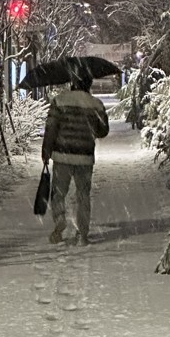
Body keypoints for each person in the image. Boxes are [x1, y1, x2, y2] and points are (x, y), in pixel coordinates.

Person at [41, 71, 109, 245]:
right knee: (83, 196)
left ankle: (59, 222)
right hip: (84, 157)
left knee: (58, 194)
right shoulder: (95, 104)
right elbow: (103, 131)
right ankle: (82, 234)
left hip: (62, 156)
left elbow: (51, 128)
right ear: (89, 84)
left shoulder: (59, 101)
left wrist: (46, 151)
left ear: (72, 83)